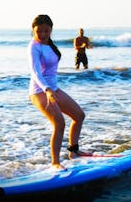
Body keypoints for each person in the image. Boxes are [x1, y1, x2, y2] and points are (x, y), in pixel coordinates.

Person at [28, 15, 88, 170]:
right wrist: (46, 89)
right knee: (59, 123)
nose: (42, 34)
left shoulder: (50, 45)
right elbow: (36, 72)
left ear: (51, 30)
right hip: (39, 91)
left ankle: (73, 152)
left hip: (53, 89)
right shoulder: (34, 46)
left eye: (46, 31)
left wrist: (51, 89)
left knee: (79, 116)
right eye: (38, 31)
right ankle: (55, 162)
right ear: (33, 31)